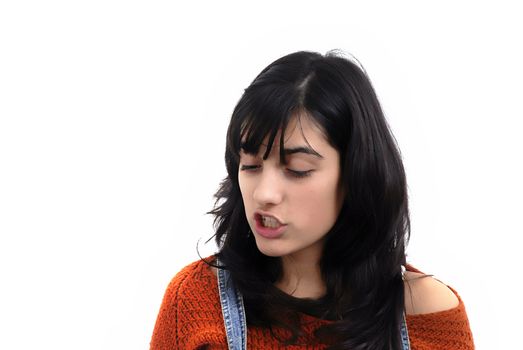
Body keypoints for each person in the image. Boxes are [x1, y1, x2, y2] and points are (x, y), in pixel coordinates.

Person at [150, 50, 474, 349]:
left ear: (355, 174)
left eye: (297, 169)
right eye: (250, 165)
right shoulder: (197, 303)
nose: (264, 193)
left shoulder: (425, 313)